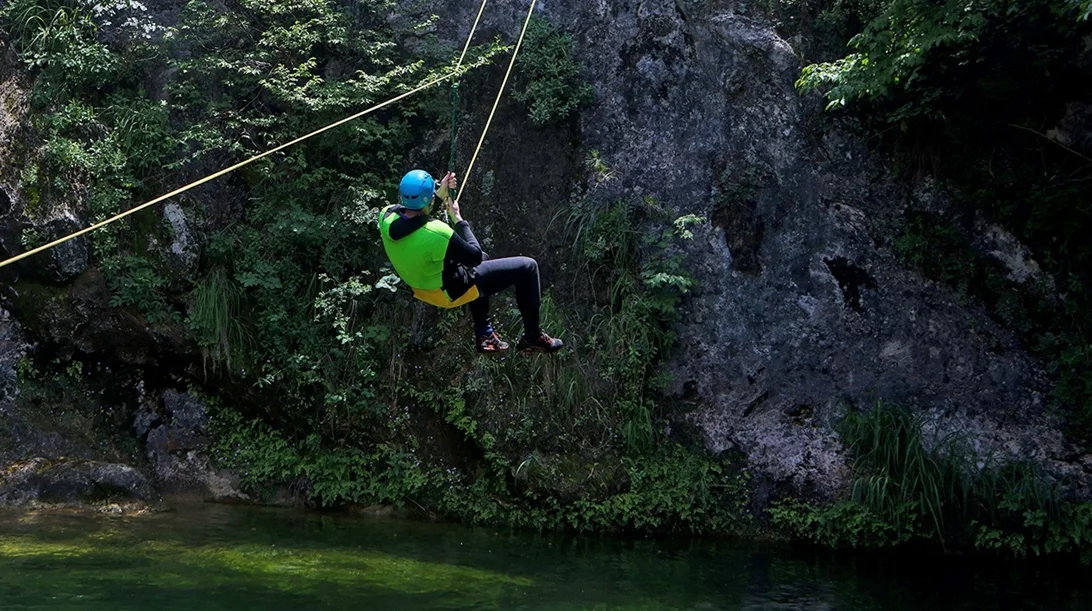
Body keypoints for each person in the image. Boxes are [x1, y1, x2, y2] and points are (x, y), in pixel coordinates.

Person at [378, 169, 564, 354]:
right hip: (448, 292)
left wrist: (439, 195)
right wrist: (459, 220)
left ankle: (485, 334)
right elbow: (474, 257)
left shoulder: (386, 216)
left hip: (422, 289)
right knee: (528, 267)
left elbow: (414, 221)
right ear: (429, 199)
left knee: (484, 262)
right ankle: (533, 336)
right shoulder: (437, 233)